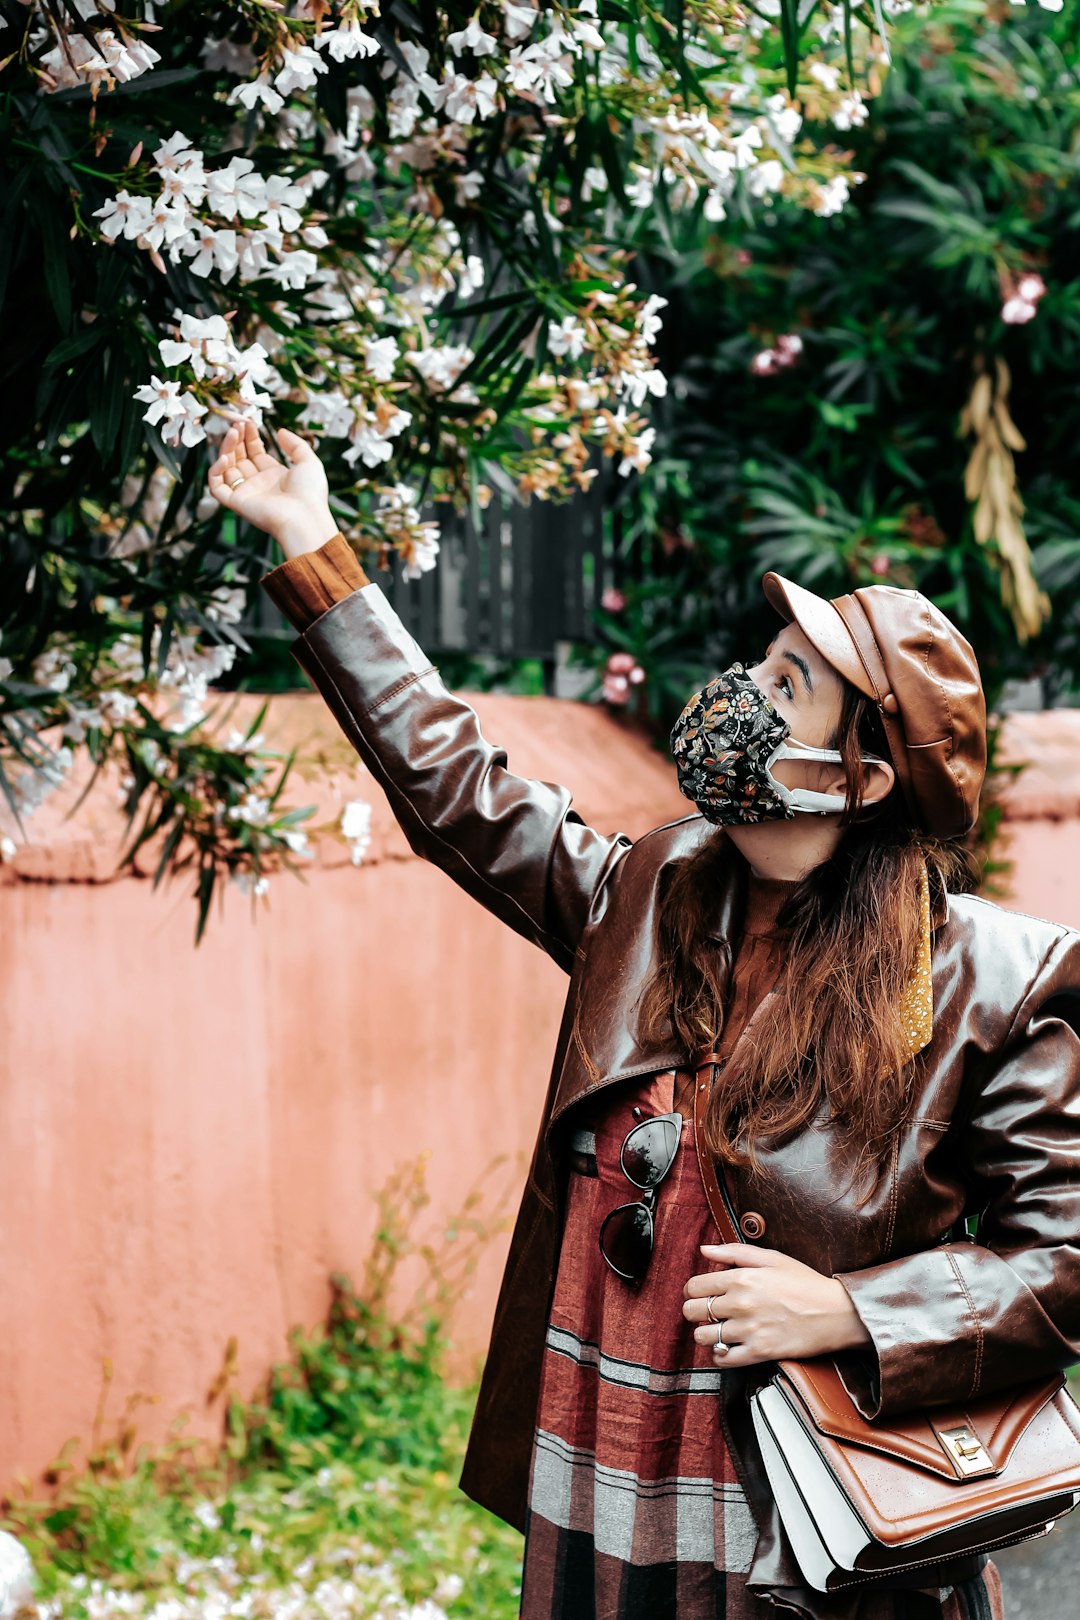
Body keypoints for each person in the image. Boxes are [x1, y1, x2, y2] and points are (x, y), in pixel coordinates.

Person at [208, 420, 1080, 1620]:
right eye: (759, 662)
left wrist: (845, 1308)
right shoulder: (645, 890)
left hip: (813, 1492)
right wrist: (312, 542)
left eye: (788, 685)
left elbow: (1063, 1259)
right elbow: (458, 788)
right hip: (608, 1432)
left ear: (865, 776)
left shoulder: (992, 979)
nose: (741, 690)